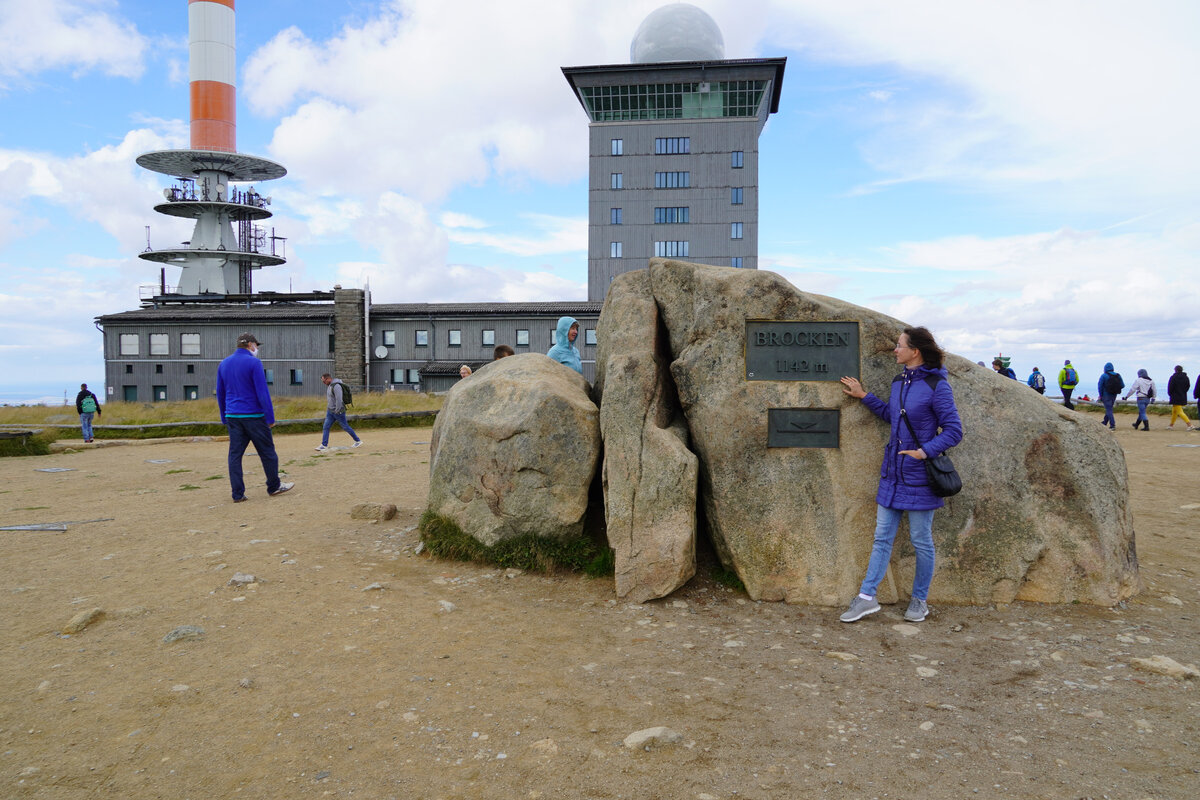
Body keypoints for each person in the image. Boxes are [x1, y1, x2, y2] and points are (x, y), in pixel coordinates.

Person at [838, 326, 964, 624]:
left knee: (922, 540)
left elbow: (954, 430)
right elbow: (893, 418)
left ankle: (919, 601)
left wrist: (925, 452)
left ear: (914, 351)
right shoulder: (899, 382)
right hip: (892, 473)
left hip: (920, 476)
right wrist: (864, 396)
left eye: (899, 345)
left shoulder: (937, 385)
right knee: (881, 537)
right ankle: (866, 598)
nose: (895, 350)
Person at [215, 332, 293, 502]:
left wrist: (223, 416)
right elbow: (262, 392)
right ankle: (274, 486)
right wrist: (270, 418)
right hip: (254, 415)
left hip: (233, 416)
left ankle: (237, 494)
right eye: (256, 345)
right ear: (250, 345)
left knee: (234, 455)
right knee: (267, 452)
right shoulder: (254, 363)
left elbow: (220, 393)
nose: (257, 348)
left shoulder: (224, 364)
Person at [315, 373, 362, 451]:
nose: (323, 383)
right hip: (330, 411)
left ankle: (358, 440)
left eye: (324, 381)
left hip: (338, 412)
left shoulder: (336, 386)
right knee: (326, 427)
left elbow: (339, 399)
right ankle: (324, 445)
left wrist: (337, 410)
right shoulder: (330, 386)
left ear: (328, 379)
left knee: (345, 427)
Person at [1166, 365, 1195, 431]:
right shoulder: (1186, 377)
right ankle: (1171, 425)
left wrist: (1170, 394)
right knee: (1174, 411)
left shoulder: (1173, 377)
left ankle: (1190, 425)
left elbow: (1170, 387)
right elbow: (1188, 386)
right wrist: (1183, 392)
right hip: (1182, 395)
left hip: (1175, 396)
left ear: (1175, 370)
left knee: (1179, 411)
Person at [1097, 363, 1124, 430]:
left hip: (1106, 395)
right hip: (1114, 394)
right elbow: (1123, 385)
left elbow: (1100, 386)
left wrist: (1100, 395)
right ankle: (1105, 422)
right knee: (1109, 408)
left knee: (1109, 409)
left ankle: (1112, 425)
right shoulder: (1118, 375)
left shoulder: (1104, 376)